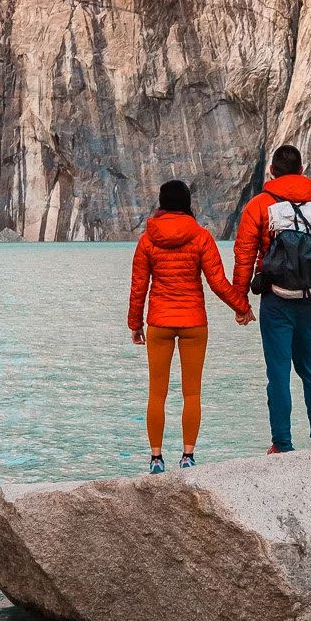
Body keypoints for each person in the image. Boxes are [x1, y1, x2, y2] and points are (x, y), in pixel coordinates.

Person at [231, 143, 311, 454]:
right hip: (310, 299)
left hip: (275, 300)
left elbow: (244, 257)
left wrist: (240, 303)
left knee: (278, 374)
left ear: (271, 172)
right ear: (302, 171)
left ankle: (282, 444)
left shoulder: (259, 205)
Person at [128, 179, 251, 474]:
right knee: (192, 393)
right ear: (187, 204)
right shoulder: (200, 237)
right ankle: (188, 456)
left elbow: (138, 287)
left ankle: (156, 458)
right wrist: (242, 307)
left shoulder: (147, 240)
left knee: (157, 393)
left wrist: (135, 324)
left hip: (159, 321)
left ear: (161, 204)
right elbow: (218, 282)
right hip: (194, 322)